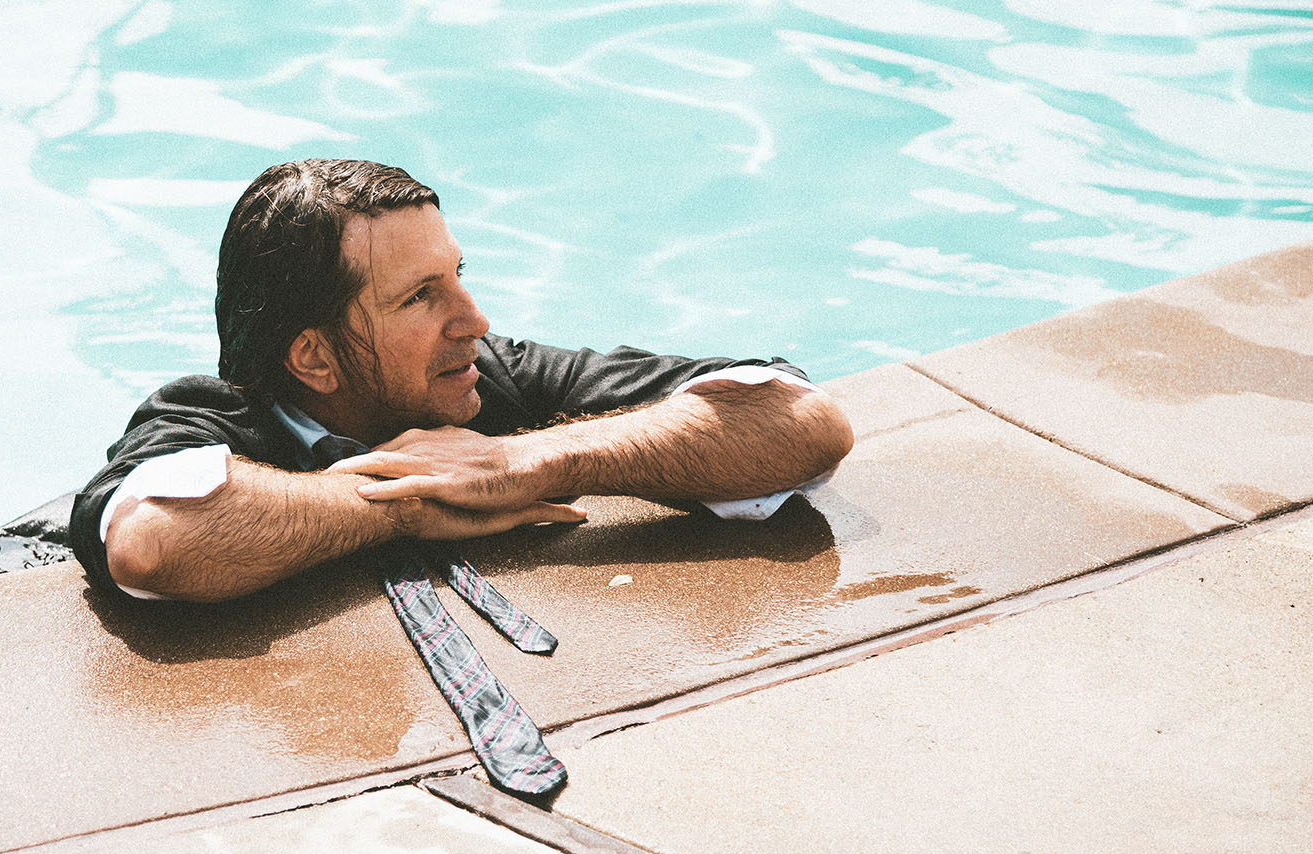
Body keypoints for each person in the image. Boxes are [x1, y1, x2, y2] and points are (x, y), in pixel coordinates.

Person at [67, 158, 854, 604]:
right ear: (313, 358)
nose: (472, 319)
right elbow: (154, 544)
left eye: (458, 276)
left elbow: (804, 421)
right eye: (420, 296)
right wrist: (404, 507)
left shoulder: (493, 381)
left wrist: (521, 464)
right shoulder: (206, 417)